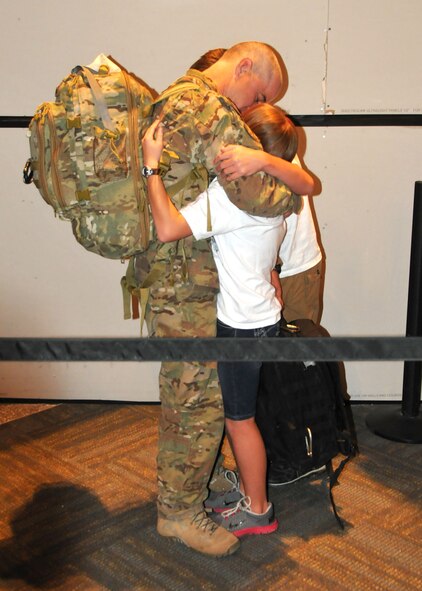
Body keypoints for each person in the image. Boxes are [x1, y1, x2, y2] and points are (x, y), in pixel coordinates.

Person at [133, 42, 302, 557]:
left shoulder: (182, 95)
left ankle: (183, 497)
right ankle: (179, 513)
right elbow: (263, 195)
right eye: (260, 93)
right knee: (198, 400)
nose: (252, 109)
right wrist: (289, 182)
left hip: (183, 281)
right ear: (245, 66)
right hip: (185, 286)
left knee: (203, 398)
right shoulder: (208, 107)